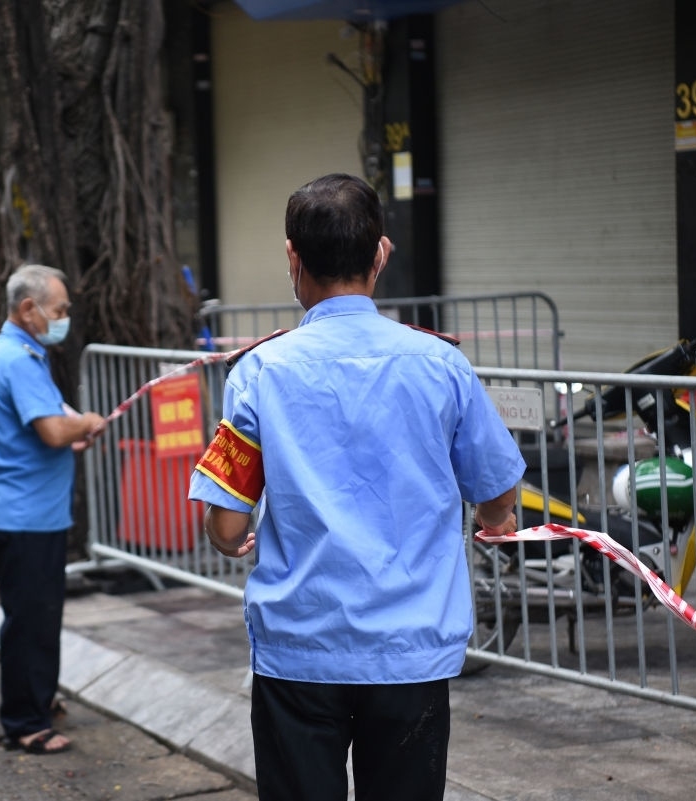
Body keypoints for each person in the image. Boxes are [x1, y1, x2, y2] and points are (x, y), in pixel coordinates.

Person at [187, 173, 526, 801]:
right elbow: (498, 495)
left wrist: (224, 534)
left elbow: (228, 524)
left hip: (298, 651)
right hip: (410, 651)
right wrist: (496, 521)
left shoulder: (260, 371)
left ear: (292, 257)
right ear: (381, 254)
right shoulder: (442, 364)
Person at [0, 264, 106, 755]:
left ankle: (37, 702)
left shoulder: (15, 352)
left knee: (37, 615)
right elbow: (53, 429)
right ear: (28, 309)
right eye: (59, 309)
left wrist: (73, 430)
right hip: (24, 514)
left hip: (29, 511)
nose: (64, 318)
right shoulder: (18, 360)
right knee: (30, 621)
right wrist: (86, 422)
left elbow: (45, 425)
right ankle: (25, 722)